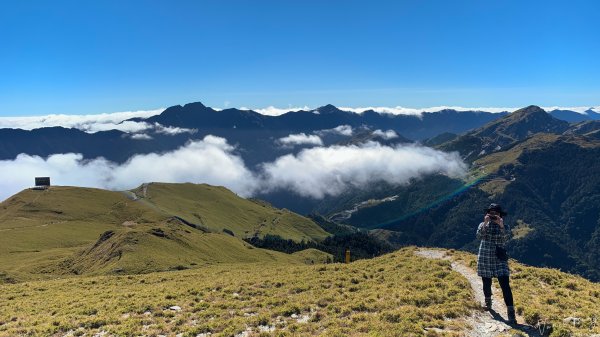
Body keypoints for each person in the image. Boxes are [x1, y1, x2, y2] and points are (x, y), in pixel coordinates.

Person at [476, 203, 516, 323]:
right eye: (491, 213)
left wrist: (501, 226)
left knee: (505, 284)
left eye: (496, 214)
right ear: (487, 214)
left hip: (499, 259)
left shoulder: (505, 226)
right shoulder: (483, 225)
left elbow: (506, 239)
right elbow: (479, 236)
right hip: (485, 256)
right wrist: (485, 223)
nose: (493, 216)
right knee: (486, 282)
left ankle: (511, 313)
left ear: (500, 215)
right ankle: (488, 302)